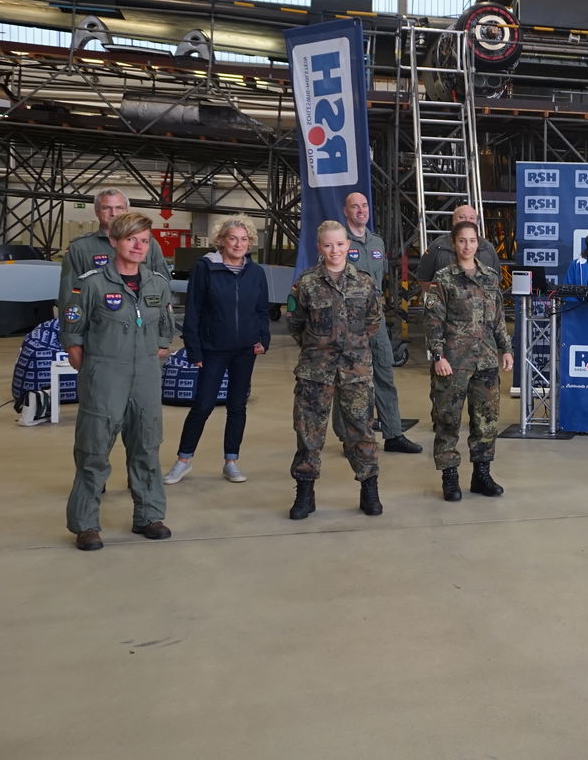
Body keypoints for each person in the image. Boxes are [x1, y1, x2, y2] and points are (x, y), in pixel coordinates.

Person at [60, 212, 176, 551]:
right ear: (114, 242)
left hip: (146, 377)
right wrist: (95, 372)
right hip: (105, 377)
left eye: (144, 241)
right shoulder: (91, 284)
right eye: (131, 240)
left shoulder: (157, 283)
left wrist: (155, 351)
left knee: (147, 447)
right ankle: (85, 524)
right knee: (93, 451)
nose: (138, 247)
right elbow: (73, 336)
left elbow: (165, 328)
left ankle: (149, 516)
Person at [285, 220, 385, 520]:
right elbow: (295, 323)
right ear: (319, 247)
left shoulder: (364, 282)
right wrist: (319, 347)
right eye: (328, 245)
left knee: (361, 430)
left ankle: (369, 489)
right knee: (308, 432)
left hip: (355, 371)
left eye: (340, 244)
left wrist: (352, 346)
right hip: (315, 371)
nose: (335, 250)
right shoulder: (306, 283)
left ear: (348, 246)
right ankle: (305, 493)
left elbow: (373, 320)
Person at [165, 219, 270, 486]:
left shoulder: (256, 272)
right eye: (233, 238)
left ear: (250, 243)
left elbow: (261, 310)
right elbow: (194, 310)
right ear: (221, 240)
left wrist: (263, 339)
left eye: (244, 239)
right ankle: (183, 460)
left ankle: (231, 461)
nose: (238, 244)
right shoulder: (205, 268)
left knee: (237, 406)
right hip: (213, 349)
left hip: (245, 350)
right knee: (203, 404)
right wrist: (194, 349)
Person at [424, 221, 514, 502]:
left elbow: (498, 318)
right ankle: (449, 476)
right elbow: (433, 320)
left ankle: (481, 474)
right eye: (462, 240)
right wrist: (438, 355)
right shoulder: (443, 278)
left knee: (486, 421)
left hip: (485, 360)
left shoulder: (490, 277)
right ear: (454, 243)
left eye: (472, 241)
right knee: (447, 420)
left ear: (478, 243)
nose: (467, 246)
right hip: (453, 362)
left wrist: (506, 349)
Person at [342, 191, 423, 454]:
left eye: (364, 205)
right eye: (355, 207)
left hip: (376, 323)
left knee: (385, 375)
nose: (361, 210)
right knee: (349, 381)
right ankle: (350, 438)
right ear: (346, 211)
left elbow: (381, 279)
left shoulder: (376, 242)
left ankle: (393, 434)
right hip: (350, 324)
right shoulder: (340, 241)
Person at [59, 188, 168, 343]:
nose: (113, 213)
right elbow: (68, 296)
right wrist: (72, 341)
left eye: (119, 208)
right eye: (106, 208)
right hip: (99, 333)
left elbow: (163, 289)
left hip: (144, 331)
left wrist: (163, 338)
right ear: (97, 211)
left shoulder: (149, 244)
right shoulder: (80, 248)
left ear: (127, 210)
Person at [416, 203, 499, 285]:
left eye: (472, 218)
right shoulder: (438, 246)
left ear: (477, 222)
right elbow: (423, 279)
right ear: (453, 220)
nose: (467, 221)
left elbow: (495, 281)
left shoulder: (488, 247)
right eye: (462, 217)